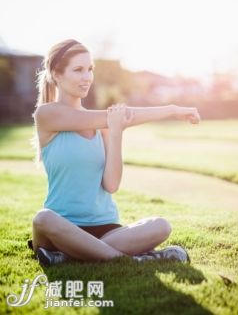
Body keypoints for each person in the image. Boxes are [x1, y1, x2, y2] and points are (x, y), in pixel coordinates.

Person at [29, 39, 200, 266]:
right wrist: (172, 110)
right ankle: (135, 260)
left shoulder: (105, 125)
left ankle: (72, 255)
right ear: (56, 75)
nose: (87, 77)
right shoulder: (47, 115)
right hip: (61, 227)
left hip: (108, 229)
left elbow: (111, 185)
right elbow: (119, 115)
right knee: (43, 218)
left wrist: (116, 132)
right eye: (78, 70)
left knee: (161, 225)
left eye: (90, 69)